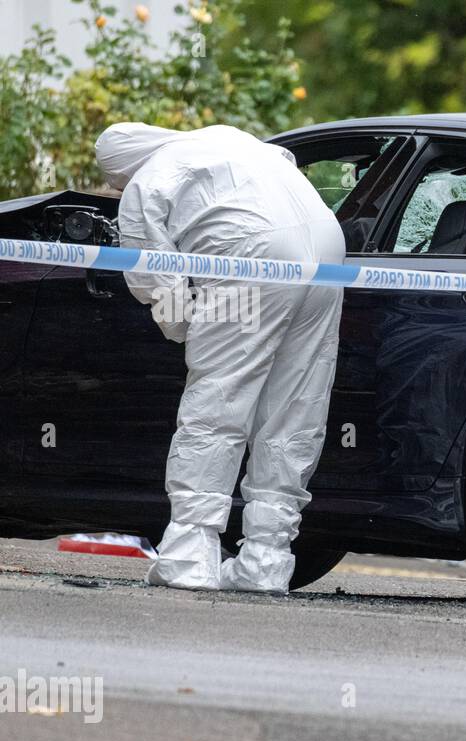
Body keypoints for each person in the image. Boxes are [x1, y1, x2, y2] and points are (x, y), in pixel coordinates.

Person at [95, 123, 345, 593]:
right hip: (327, 253)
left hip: (251, 259)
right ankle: (266, 562)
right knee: (296, 409)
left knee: (217, 408)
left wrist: (190, 330)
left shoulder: (146, 183)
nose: (119, 190)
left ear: (121, 170)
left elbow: (156, 278)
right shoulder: (229, 138)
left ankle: (190, 555)